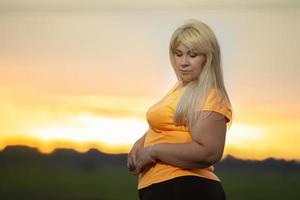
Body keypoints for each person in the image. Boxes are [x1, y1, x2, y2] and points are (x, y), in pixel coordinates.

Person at [127, 19, 233, 200]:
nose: (183, 62)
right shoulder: (181, 89)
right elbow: (170, 125)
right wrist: (140, 145)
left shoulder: (209, 95)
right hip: (166, 188)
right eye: (178, 54)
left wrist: (153, 151)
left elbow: (209, 151)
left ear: (208, 58)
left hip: (187, 188)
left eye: (192, 55)